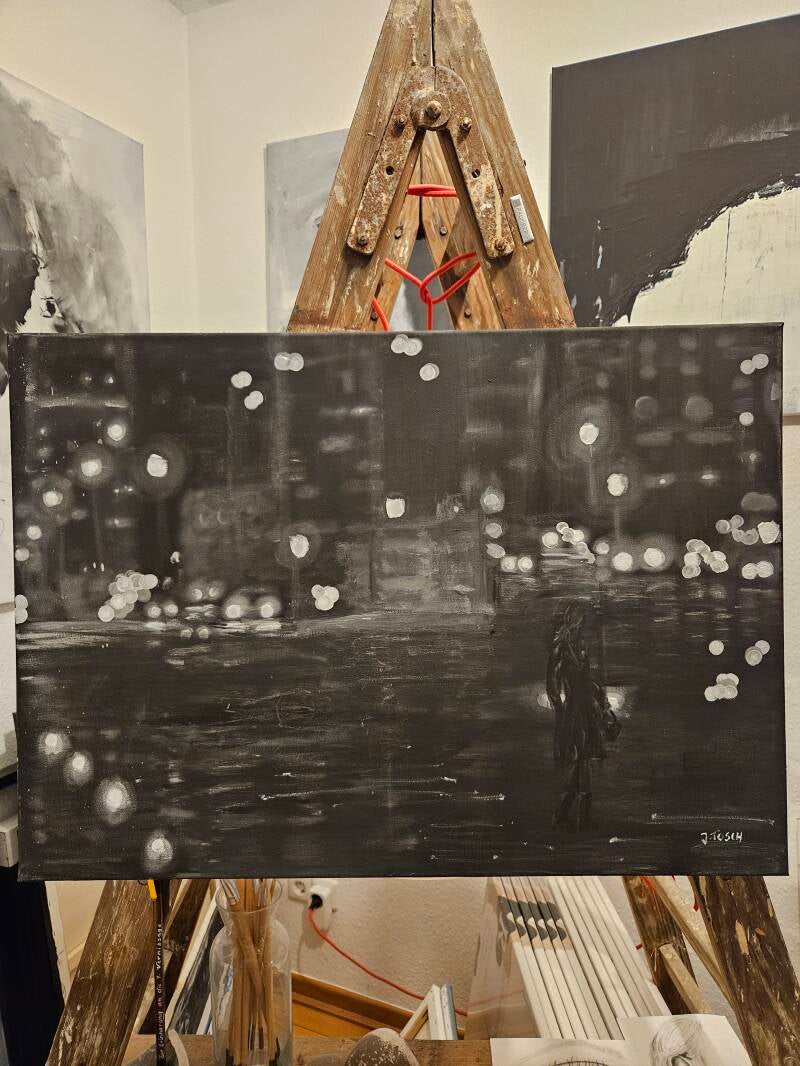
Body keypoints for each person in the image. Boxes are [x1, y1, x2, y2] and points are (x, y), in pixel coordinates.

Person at [546, 601, 621, 830]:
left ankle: (565, 815)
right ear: (571, 620)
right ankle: (578, 817)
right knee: (581, 760)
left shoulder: (581, 646)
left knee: (582, 761)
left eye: (582, 621)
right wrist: (560, 709)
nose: (581, 625)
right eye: (578, 620)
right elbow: (552, 684)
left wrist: (600, 698)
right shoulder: (560, 649)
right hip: (573, 711)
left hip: (587, 708)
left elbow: (586, 679)